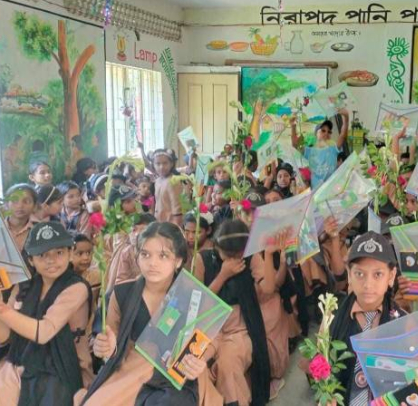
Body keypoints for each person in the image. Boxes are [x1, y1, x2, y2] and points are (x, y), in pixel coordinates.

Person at [77, 222, 222, 405]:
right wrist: (106, 348)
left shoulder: (192, 294)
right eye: (145, 254)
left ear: (178, 261)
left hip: (178, 373)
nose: (153, 263)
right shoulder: (122, 293)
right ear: (137, 257)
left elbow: (212, 337)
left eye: (163, 255)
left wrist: (199, 360)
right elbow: (111, 340)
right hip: (132, 368)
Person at [0, 222, 93, 405]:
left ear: (70, 253)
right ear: (31, 260)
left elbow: (44, 332)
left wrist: (0, 307)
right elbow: (3, 338)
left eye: (59, 253)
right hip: (22, 362)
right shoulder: (26, 286)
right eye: (42, 255)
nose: (51, 260)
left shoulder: (77, 288)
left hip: (62, 370)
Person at [325, 231, 406, 405]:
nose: (368, 285)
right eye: (359, 274)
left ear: (391, 276)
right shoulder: (331, 318)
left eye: (378, 274)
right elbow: (324, 367)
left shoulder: (402, 322)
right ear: (349, 275)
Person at [201, 219, 274, 405]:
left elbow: (268, 289)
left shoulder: (251, 257)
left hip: (240, 328)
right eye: (229, 255)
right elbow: (198, 303)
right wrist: (223, 275)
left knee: (228, 364)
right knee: (196, 364)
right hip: (209, 329)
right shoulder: (203, 259)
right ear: (217, 246)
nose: (235, 259)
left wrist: (268, 254)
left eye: (239, 255)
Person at [291, 110, 349, 189]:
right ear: (316, 134)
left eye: (329, 132)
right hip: (316, 191)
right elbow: (295, 144)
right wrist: (293, 126)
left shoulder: (333, 149)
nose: (326, 133)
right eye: (323, 131)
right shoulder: (309, 151)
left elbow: (342, 135)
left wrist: (346, 118)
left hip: (332, 190)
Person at [106, 214, 156, 289]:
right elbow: (120, 280)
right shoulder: (126, 252)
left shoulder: (158, 251)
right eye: (134, 230)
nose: (137, 234)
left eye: (143, 230)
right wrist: (137, 281)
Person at [152, 149, 183, 226]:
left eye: (165, 163)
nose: (161, 167)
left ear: (171, 164)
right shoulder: (157, 181)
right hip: (159, 221)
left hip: (170, 224)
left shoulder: (173, 181)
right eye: (158, 164)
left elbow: (177, 207)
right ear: (153, 165)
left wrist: (176, 226)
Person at [3, 184, 38, 251]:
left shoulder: (40, 230)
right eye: (14, 201)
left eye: (26, 201)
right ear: (6, 205)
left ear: (35, 206)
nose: (20, 206)